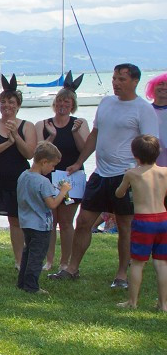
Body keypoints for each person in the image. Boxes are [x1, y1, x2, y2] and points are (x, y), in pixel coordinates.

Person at [53, 64, 158, 288]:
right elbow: (95, 134)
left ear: (135, 81)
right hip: (100, 174)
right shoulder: (106, 103)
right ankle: (71, 268)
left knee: (125, 226)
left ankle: (121, 275)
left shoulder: (143, 109)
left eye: (121, 79)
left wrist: (142, 172)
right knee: (83, 221)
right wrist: (79, 161)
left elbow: (150, 144)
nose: (116, 83)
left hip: (127, 176)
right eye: (114, 78)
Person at [0, 76, 36, 271]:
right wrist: (7, 143)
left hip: (17, 179)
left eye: (11, 102)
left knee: (16, 220)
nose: (7, 106)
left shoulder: (28, 126)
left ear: (18, 105)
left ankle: (19, 261)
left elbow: (29, 153)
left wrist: (16, 137)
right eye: (3, 102)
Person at [33, 87, 89, 274]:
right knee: (50, 220)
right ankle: (49, 261)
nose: (62, 105)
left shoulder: (80, 123)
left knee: (66, 222)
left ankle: (65, 261)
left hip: (71, 177)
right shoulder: (43, 124)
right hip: (48, 177)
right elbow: (38, 152)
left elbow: (85, 150)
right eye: (59, 101)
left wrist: (75, 132)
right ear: (54, 103)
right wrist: (52, 136)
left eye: (67, 102)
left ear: (73, 105)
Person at [115, 134, 167, 311]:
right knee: (161, 263)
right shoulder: (165, 171)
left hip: (144, 221)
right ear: (157, 153)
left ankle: (133, 302)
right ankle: (163, 304)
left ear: (135, 155)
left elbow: (119, 193)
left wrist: (125, 181)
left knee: (137, 262)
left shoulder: (132, 173)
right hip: (162, 218)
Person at [16, 141, 70, 294]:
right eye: (52, 165)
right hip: (40, 224)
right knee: (37, 255)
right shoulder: (42, 181)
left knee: (27, 252)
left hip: (26, 221)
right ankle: (32, 286)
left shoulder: (24, 175)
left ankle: (22, 282)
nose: (53, 169)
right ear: (44, 162)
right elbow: (52, 204)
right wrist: (63, 192)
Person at [143, 72, 167, 167]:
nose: (164, 87)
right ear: (152, 87)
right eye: (161, 84)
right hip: (150, 160)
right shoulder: (144, 110)